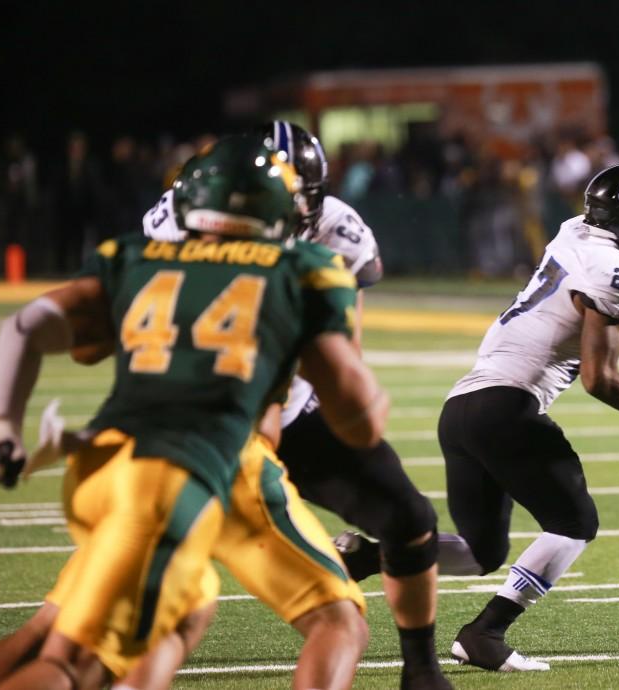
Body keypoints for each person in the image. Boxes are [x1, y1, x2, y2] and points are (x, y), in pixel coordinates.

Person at [0, 134, 387, 690]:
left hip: (108, 462)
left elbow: (39, 330)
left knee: (179, 615)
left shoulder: (134, 257)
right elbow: (357, 417)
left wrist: (2, 426)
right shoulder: (302, 271)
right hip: (189, 471)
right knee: (74, 664)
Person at [143, 121, 450, 690]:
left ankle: (422, 670)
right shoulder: (185, 218)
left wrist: (346, 404)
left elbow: (344, 354)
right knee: (158, 606)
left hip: (291, 415)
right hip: (195, 422)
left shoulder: (336, 232)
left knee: (408, 517)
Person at [433, 164, 619, 672]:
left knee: (481, 551)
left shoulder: (573, 231)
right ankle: (485, 632)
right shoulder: (618, 274)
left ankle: (366, 555)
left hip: (460, 408)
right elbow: (599, 379)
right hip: (508, 407)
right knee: (574, 523)